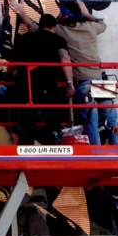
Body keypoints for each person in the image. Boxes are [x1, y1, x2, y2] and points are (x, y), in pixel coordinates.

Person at [55, 0, 118, 145]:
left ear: (65, 16)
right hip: (101, 79)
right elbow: (102, 24)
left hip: (84, 83)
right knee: (111, 120)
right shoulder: (90, 27)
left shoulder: (61, 30)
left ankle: (96, 152)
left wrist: (22, 13)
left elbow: (42, 28)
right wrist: (87, 14)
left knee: (91, 121)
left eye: (60, 13)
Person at [11, 13, 74, 146]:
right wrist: (69, 83)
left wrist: (11, 75)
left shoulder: (24, 39)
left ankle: (25, 151)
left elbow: (12, 61)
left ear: (39, 26)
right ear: (54, 27)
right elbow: (64, 58)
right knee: (52, 121)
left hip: (26, 85)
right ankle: (54, 150)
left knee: (26, 123)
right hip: (48, 85)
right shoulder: (57, 39)